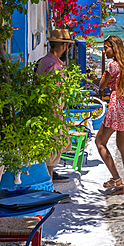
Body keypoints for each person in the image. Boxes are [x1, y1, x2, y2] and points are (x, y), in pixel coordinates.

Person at [97, 36, 124, 195]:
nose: (104, 50)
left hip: (117, 106)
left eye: (106, 47)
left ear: (113, 48)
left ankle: (116, 178)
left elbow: (101, 86)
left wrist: (104, 76)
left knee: (100, 141)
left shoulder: (113, 66)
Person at [36, 28, 75, 183]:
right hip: (52, 114)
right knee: (52, 151)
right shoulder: (55, 67)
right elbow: (55, 95)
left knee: (50, 150)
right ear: (64, 46)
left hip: (42, 111)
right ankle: (49, 182)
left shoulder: (43, 61)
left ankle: (49, 177)